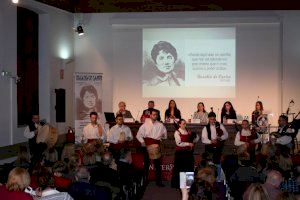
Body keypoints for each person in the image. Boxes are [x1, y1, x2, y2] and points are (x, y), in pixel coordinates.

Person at [136, 109, 167, 187]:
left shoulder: (160, 125)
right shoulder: (145, 125)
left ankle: (158, 182)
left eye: (156, 115)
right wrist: (142, 142)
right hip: (147, 146)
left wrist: (162, 136)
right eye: (153, 114)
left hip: (156, 146)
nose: (155, 116)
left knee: (157, 165)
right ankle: (144, 181)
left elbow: (165, 135)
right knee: (146, 164)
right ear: (150, 115)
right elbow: (138, 135)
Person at [171, 119, 199, 188]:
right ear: (179, 124)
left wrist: (194, 141)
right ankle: (180, 185)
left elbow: (197, 137)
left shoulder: (188, 132)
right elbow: (179, 143)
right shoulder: (177, 132)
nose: (185, 125)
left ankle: (188, 184)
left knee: (189, 168)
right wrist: (189, 144)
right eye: (183, 124)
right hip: (180, 154)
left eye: (185, 124)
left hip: (188, 153)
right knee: (181, 169)